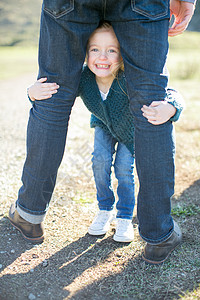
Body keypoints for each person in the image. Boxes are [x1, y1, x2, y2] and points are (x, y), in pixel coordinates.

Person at [8, 0, 196, 264]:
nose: (102, 57)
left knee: (54, 96)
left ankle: (28, 214)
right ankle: (159, 234)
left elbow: (52, 97)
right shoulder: (88, 78)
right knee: (149, 101)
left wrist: (174, 107)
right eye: (95, 50)